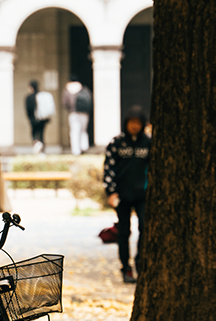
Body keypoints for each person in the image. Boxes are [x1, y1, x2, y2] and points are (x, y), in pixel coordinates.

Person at [103, 105, 151, 283]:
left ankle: (140, 261)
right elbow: (108, 168)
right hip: (122, 195)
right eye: (131, 122)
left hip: (142, 195)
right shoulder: (116, 143)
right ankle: (126, 268)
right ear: (125, 123)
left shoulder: (148, 143)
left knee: (145, 228)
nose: (134, 126)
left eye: (138, 123)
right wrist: (111, 192)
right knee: (124, 232)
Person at [62, 78, 93, 156]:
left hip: (74, 113)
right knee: (83, 130)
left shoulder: (67, 89)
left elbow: (65, 102)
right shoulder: (83, 88)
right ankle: (84, 147)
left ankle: (76, 151)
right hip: (84, 113)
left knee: (74, 131)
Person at [25, 80, 55, 153]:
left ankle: (37, 147)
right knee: (41, 134)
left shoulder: (29, 97)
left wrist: (30, 118)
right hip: (43, 119)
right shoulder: (42, 96)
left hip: (33, 120)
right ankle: (42, 150)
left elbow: (28, 110)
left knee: (34, 134)